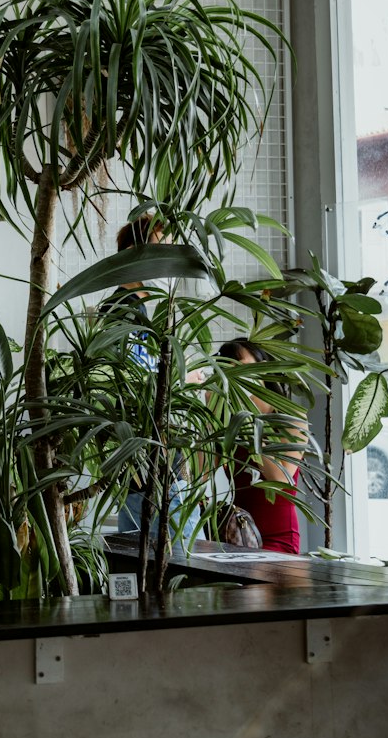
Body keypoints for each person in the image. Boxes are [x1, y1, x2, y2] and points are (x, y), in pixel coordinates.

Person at [101, 215, 201, 545]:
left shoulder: (142, 312)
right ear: (136, 254)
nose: (169, 258)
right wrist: (185, 378)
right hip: (154, 467)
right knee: (178, 566)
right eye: (162, 247)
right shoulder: (123, 312)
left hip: (152, 467)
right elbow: (138, 387)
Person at [216, 338, 306, 554]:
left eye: (242, 367)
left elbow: (281, 478)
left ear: (264, 367)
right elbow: (200, 475)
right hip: (239, 535)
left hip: (279, 537)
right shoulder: (227, 420)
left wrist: (247, 426)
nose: (237, 375)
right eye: (228, 370)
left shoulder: (291, 419)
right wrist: (212, 417)